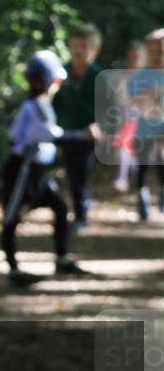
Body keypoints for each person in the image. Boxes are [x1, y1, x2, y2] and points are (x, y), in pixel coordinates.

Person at [1, 50, 98, 289]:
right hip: (23, 170)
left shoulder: (44, 105)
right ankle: (13, 269)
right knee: (11, 218)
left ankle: (62, 258)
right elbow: (52, 136)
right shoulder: (32, 108)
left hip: (40, 171)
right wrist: (82, 134)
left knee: (60, 207)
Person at [52, 24, 105, 230]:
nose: (77, 51)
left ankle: (81, 216)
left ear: (94, 49)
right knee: (69, 173)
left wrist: (99, 127)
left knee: (80, 175)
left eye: (83, 47)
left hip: (88, 139)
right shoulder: (60, 74)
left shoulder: (100, 77)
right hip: (64, 135)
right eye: (74, 46)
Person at [129, 28, 164, 221]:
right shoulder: (142, 75)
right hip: (143, 131)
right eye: (152, 52)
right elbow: (134, 97)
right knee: (142, 166)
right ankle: (142, 199)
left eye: (161, 51)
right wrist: (150, 95)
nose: (157, 56)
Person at [111, 41, 146, 193]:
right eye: (132, 57)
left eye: (137, 57)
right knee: (123, 148)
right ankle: (122, 177)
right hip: (124, 120)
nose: (134, 61)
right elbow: (119, 100)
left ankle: (128, 173)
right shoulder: (122, 77)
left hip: (142, 122)